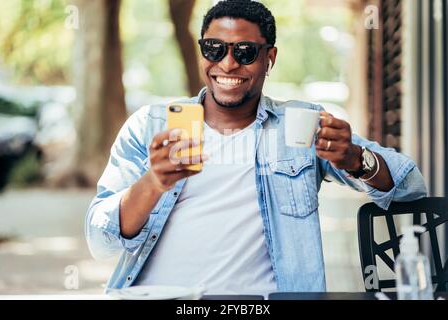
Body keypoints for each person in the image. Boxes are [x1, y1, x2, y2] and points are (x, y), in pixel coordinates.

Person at [85, 0, 427, 295]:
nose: (228, 64)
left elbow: (410, 186)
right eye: (214, 49)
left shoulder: (303, 125)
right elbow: (101, 240)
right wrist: (154, 183)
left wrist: (356, 159)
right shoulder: (152, 125)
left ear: (270, 57)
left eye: (245, 52)